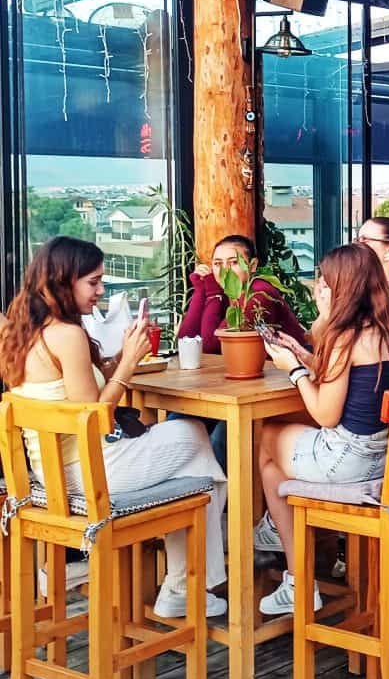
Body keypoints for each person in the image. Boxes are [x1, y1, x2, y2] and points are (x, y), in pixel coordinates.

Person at [0, 237, 229, 617]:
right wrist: (128, 366)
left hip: (48, 474)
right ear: (63, 281)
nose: (101, 291)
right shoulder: (67, 334)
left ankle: (175, 585)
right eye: (93, 282)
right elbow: (95, 418)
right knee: (194, 437)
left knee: (192, 463)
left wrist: (118, 359)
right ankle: (183, 585)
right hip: (89, 473)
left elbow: (70, 394)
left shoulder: (20, 331)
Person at [256, 244, 389, 615]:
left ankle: (293, 568)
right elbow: (354, 382)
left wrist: (294, 371)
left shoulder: (346, 337)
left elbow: (325, 415)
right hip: (386, 457)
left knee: (265, 438)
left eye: (325, 280)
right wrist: (305, 356)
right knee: (277, 454)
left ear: (342, 286)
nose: (319, 285)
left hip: (348, 462)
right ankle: (277, 525)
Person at [179, 234, 307, 355]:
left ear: (252, 265)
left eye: (234, 262)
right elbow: (186, 340)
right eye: (218, 264)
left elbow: (211, 347)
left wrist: (213, 294)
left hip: (295, 370)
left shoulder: (259, 293)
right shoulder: (228, 292)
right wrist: (200, 290)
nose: (225, 270)